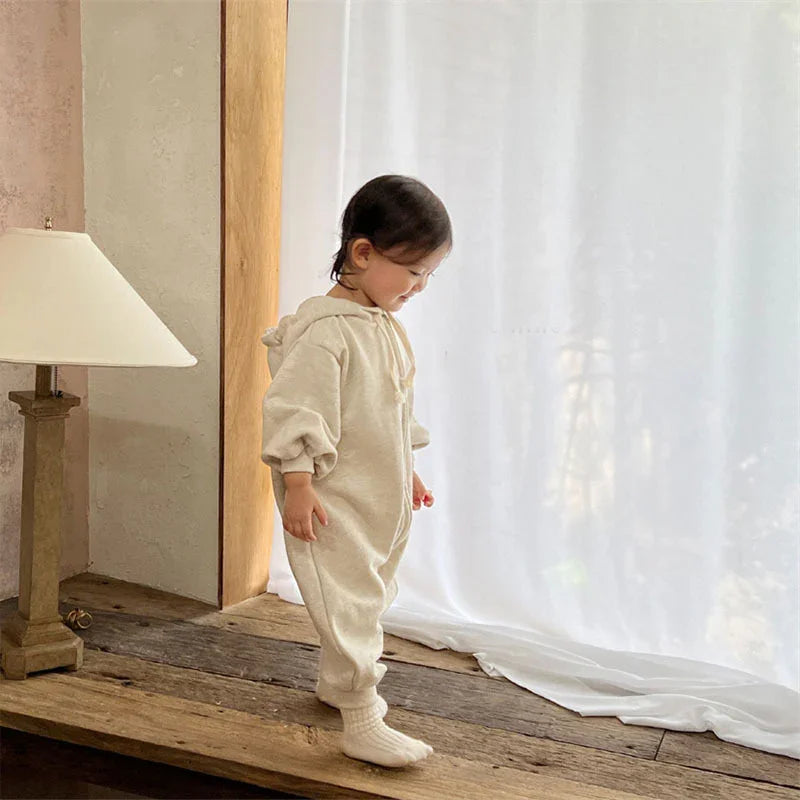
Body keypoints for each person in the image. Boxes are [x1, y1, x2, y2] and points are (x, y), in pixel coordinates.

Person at [260, 174, 452, 768]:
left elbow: (391, 406)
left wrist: (408, 467)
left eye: (428, 277)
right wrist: (297, 483)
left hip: (377, 493)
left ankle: (333, 682)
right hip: (329, 495)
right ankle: (362, 717)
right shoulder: (325, 335)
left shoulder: (382, 328)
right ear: (362, 253)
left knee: (366, 592)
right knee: (345, 598)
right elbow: (297, 411)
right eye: (413, 271)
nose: (419, 288)